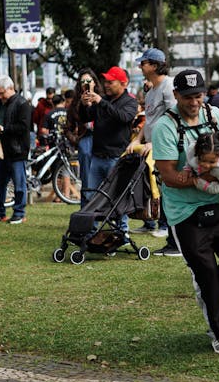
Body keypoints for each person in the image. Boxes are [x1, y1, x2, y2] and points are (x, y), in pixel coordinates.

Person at [152, 69, 219, 356]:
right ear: (176, 96)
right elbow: (169, 175)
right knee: (207, 272)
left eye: (198, 95)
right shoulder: (165, 126)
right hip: (184, 211)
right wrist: (202, 179)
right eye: (188, 97)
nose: (194, 102)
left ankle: (214, 300)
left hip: (218, 205)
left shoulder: (214, 115)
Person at [79, 66, 137, 237]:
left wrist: (100, 102)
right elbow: (85, 117)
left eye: (111, 82)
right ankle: (91, 232)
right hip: (97, 156)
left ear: (123, 83)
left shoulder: (130, 101)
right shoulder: (103, 100)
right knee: (92, 195)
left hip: (116, 158)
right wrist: (84, 105)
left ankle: (122, 233)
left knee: (118, 197)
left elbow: (123, 118)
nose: (106, 85)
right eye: (105, 81)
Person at [130, 47, 178, 252]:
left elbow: (173, 118)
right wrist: (137, 139)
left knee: (168, 190)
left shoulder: (168, 87)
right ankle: (156, 224)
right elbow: (149, 121)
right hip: (150, 148)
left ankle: (169, 232)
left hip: (164, 148)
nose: (140, 66)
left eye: (144, 63)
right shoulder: (151, 91)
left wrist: (155, 142)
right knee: (155, 189)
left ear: (155, 66)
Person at [0, 75, 31, 225]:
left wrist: (3, 128)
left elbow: (23, 127)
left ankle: (19, 213)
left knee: (19, 183)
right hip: (1, 149)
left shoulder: (22, 103)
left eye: (2, 93)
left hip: (17, 150)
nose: (0, 96)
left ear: (10, 88)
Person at [65, 68, 102, 207]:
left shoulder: (102, 98)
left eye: (89, 81)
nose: (86, 84)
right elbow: (67, 127)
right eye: (83, 81)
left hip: (103, 138)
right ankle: (86, 210)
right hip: (85, 137)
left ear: (94, 82)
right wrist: (77, 141)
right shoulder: (75, 102)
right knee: (86, 176)